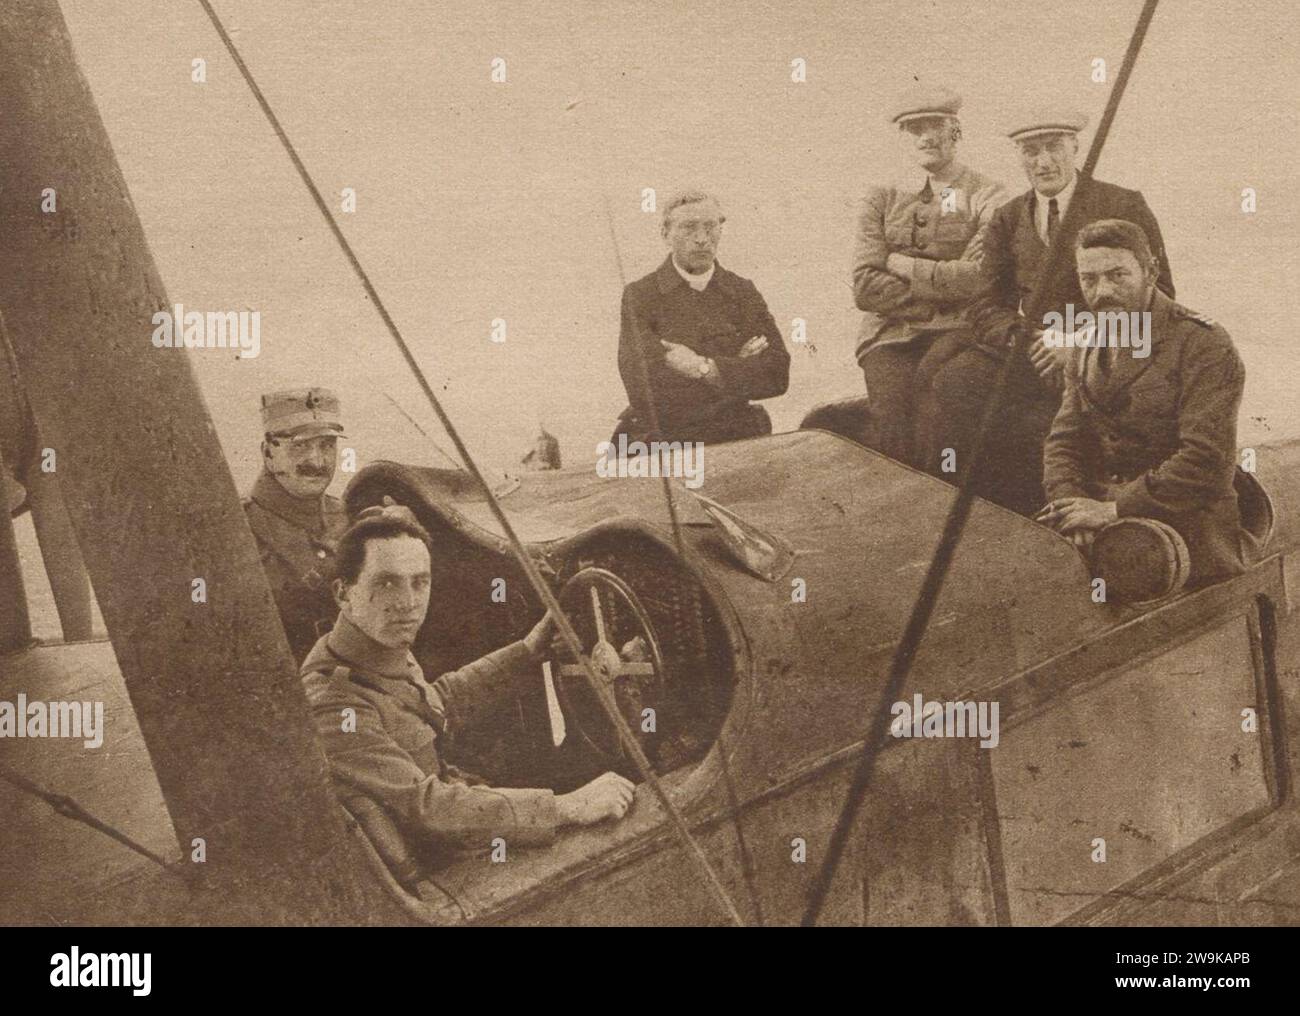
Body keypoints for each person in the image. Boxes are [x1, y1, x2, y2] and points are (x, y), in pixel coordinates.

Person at [301, 502, 634, 867]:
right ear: (342, 593)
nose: (409, 603)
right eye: (386, 582)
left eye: (420, 581)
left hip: (458, 825)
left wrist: (525, 651)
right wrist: (566, 807)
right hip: (444, 867)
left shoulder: (371, 647)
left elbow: (432, 704)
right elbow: (428, 808)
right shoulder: (333, 703)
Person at [931, 111, 1174, 514]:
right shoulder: (1009, 217)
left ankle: (1081, 509)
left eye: (1053, 148)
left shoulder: (1121, 203)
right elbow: (985, 302)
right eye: (1030, 151)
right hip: (1035, 348)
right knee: (956, 383)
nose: (1042, 162)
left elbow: (1160, 294)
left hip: (1110, 348)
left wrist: (1081, 342)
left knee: (1076, 422)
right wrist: (1021, 339)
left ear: (1075, 147)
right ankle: (996, 510)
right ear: (1019, 156)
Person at [1038, 219, 1247, 586]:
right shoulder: (1085, 346)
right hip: (1101, 523)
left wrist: (1114, 510)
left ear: (1151, 271)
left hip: (1187, 536)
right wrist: (1070, 507)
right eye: (1089, 279)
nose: (1103, 291)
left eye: (1117, 275)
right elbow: (1064, 441)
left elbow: (1206, 459)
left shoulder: (1202, 343)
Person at [851, 84, 1007, 468]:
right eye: (913, 128)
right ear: (903, 137)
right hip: (889, 337)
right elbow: (865, 285)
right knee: (892, 425)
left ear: (955, 129)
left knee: (944, 420)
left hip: (962, 333)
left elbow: (979, 279)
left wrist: (901, 264)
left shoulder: (988, 195)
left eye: (935, 125)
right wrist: (940, 296)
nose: (926, 136)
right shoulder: (880, 197)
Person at [611, 189, 790, 446]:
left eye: (710, 227)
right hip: (668, 442)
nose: (702, 239)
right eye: (689, 227)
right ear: (665, 234)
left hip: (737, 435)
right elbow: (645, 390)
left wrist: (701, 367)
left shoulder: (742, 291)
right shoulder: (641, 296)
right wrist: (736, 367)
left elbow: (777, 375)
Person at [243, 387, 349, 663]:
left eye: (327, 445)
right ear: (268, 453)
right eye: (300, 445)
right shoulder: (237, 530)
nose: (317, 460)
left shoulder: (347, 517)